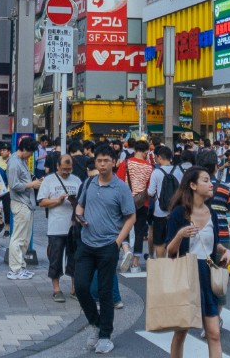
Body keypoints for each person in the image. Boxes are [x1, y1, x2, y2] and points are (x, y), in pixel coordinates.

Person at [71, 148, 135, 354]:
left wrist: (117, 242)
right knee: (81, 287)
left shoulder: (121, 188)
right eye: (99, 160)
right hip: (86, 244)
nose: (102, 164)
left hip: (108, 245)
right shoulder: (89, 183)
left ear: (114, 162)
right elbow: (80, 206)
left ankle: (106, 334)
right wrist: (80, 217)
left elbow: (130, 217)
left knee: (105, 292)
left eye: (106, 160)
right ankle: (95, 323)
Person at [160, 167, 224, 358]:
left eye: (210, 180)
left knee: (214, 333)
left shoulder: (211, 213)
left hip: (206, 275)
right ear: (193, 185)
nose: (211, 183)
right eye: (205, 180)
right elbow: (170, 251)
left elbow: (213, 244)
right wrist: (180, 234)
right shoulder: (180, 213)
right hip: (186, 275)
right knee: (181, 333)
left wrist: (225, 251)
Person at [38, 152, 82, 302]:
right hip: (56, 226)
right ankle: (56, 289)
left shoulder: (77, 180)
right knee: (55, 257)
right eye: (64, 169)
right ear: (57, 166)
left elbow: (83, 201)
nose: (67, 172)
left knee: (75, 258)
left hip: (73, 226)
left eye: (69, 169)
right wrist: (57, 201)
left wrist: (75, 200)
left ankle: (75, 289)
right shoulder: (49, 180)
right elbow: (41, 202)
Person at [7, 135, 39, 280]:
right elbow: (13, 185)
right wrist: (31, 185)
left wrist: (32, 181)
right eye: (31, 153)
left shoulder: (21, 161)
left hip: (26, 203)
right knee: (19, 238)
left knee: (24, 238)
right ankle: (15, 269)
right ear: (25, 149)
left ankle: (20, 266)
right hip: (20, 203)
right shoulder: (14, 162)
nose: (31, 156)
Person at [123, 141, 154, 276]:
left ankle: (126, 251)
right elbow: (149, 187)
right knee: (140, 232)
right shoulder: (149, 166)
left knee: (123, 228)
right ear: (146, 151)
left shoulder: (126, 163)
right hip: (142, 203)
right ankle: (135, 263)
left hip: (126, 201)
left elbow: (118, 181)